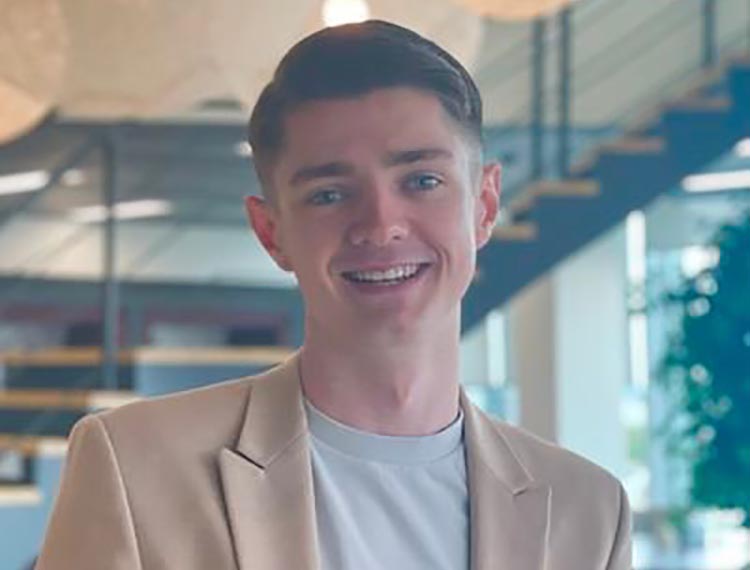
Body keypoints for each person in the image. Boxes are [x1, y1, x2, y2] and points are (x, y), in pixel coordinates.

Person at [35, 20, 631, 570]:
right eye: (328, 194)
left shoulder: (588, 511)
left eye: (422, 181)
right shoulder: (136, 467)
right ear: (271, 231)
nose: (380, 225)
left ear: (485, 205)